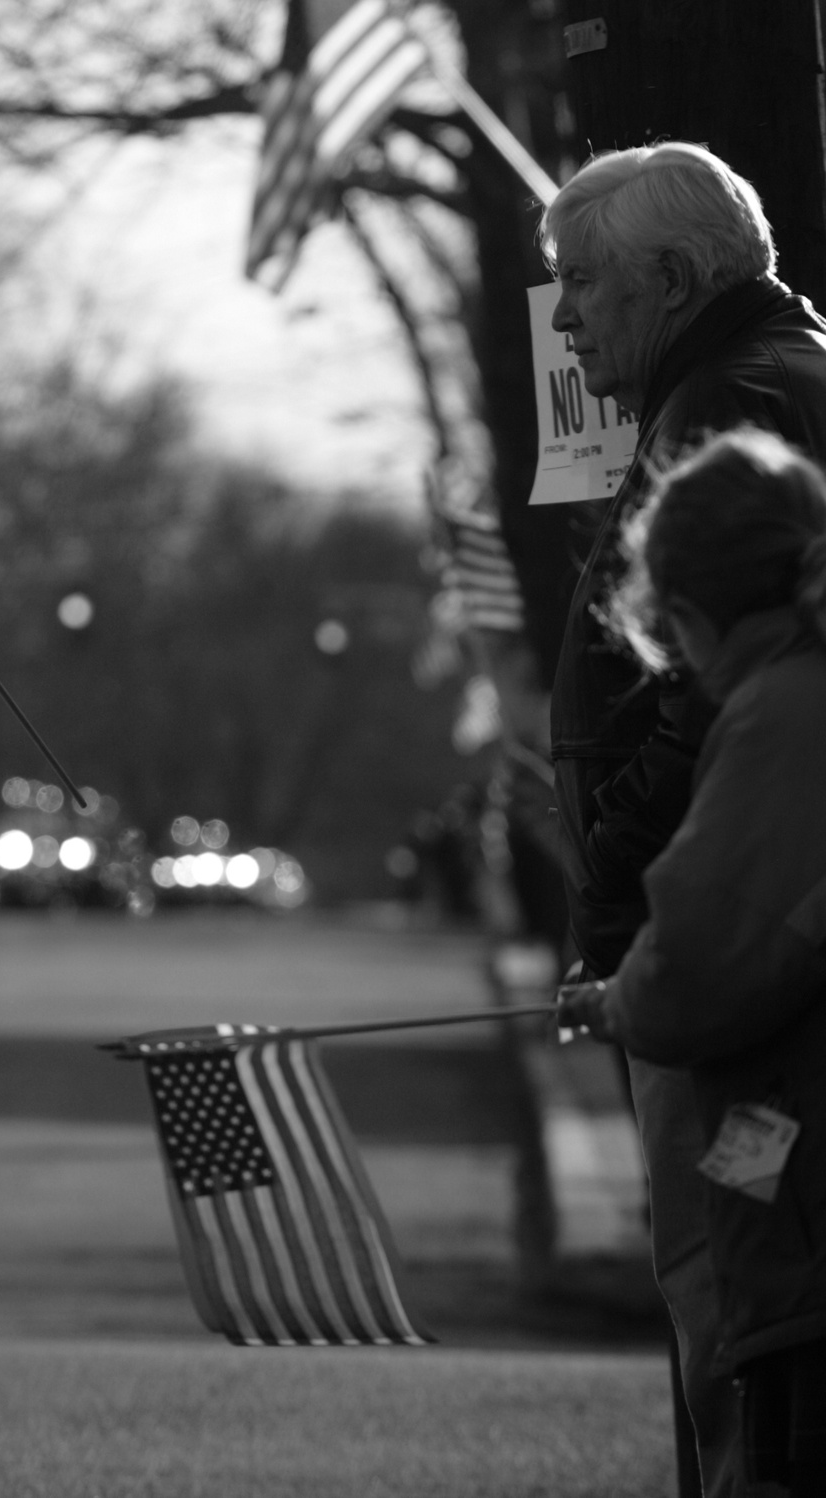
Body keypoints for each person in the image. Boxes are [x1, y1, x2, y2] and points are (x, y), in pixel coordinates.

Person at [540, 141, 826, 1497]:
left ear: (673, 275)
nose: (565, 315)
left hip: (748, 1049)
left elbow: (693, 722)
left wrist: (620, 915)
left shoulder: (729, 415)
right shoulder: (757, 387)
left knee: (736, 1313)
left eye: (582, 280)